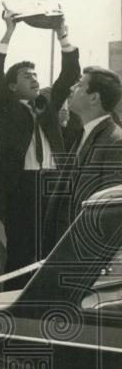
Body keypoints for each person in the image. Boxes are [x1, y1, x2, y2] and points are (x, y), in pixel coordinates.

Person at [0, 10, 79, 271]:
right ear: (12, 86)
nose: (35, 79)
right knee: (22, 254)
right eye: (27, 76)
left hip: (53, 182)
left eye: (36, 75)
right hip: (21, 187)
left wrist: (62, 35)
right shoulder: (5, 107)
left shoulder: (47, 102)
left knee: (52, 250)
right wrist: (9, 31)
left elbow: (70, 74)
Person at [44, 67, 122, 245]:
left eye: (79, 85)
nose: (71, 89)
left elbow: (110, 215)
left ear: (94, 98)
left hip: (83, 255)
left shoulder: (115, 142)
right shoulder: (83, 134)